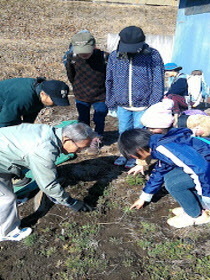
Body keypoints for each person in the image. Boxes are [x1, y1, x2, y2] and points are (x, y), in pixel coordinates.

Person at [0, 122, 96, 242]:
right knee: (6, 199)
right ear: (67, 139)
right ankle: (7, 232)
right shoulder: (44, 150)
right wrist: (71, 202)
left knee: (4, 185)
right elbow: (49, 185)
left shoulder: (50, 132)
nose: (80, 151)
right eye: (80, 147)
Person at [118, 128, 210, 228]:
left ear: (137, 149)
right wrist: (144, 197)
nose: (134, 158)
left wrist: (207, 197)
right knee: (170, 176)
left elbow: (201, 169)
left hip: (206, 170)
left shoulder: (164, 147)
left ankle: (196, 216)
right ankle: (195, 207)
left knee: (174, 184)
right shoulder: (159, 143)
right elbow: (160, 171)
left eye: (133, 156)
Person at [106, 26, 164, 168]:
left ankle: (138, 157)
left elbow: (158, 79)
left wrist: (154, 101)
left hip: (144, 103)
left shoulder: (152, 55)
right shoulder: (115, 55)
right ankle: (124, 153)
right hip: (123, 103)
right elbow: (110, 78)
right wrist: (111, 99)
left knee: (140, 133)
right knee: (124, 131)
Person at [65, 30, 108, 155]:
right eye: (80, 51)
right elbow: (71, 75)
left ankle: (96, 139)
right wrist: (77, 87)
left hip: (101, 94)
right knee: (83, 119)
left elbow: (110, 76)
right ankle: (83, 139)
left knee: (99, 118)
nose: (83, 54)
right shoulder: (72, 57)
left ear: (94, 46)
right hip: (81, 94)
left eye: (86, 50)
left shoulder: (104, 57)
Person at [0, 77, 70, 127]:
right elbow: (5, 120)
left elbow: (30, 115)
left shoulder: (40, 95)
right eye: (54, 101)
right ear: (43, 94)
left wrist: (27, 129)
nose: (55, 104)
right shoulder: (25, 97)